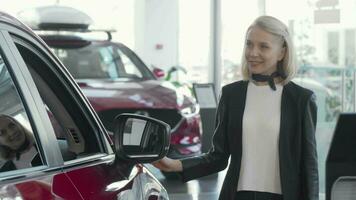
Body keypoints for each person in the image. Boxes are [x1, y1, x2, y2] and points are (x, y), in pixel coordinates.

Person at [153, 15, 318, 200]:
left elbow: (309, 167)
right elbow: (218, 157)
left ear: (282, 52)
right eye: (249, 44)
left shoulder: (301, 100)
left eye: (263, 46)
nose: (253, 53)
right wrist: (175, 165)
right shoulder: (232, 95)